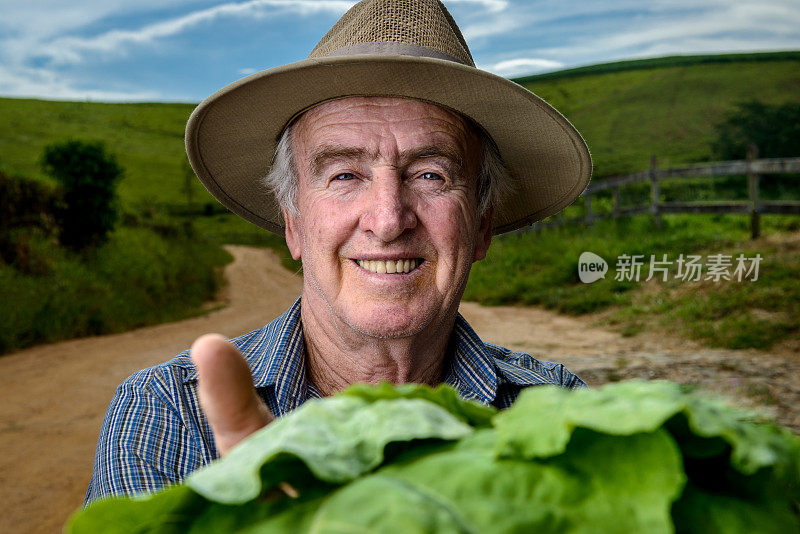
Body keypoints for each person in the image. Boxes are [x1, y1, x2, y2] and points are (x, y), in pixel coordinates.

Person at [85, 0, 592, 503]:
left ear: (481, 225)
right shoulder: (168, 411)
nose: (389, 220)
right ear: (294, 222)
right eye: (345, 175)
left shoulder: (559, 409)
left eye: (431, 175)